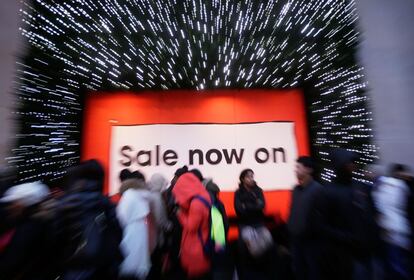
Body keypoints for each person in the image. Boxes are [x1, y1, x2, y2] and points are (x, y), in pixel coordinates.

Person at [59, 160, 123, 280]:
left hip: (73, 270)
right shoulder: (105, 203)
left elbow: (55, 240)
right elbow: (117, 234)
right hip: (103, 268)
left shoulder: (63, 203)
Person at [372, 164, 412, 280]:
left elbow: (383, 207)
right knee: (398, 261)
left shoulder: (385, 187)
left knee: (394, 263)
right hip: (400, 228)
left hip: (390, 229)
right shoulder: (401, 186)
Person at [234, 169, 274, 280]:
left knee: (262, 252)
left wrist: (246, 206)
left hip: (258, 224)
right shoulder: (238, 192)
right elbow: (239, 210)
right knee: (244, 252)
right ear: (242, 179)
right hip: (244, 225)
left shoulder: (258, 190)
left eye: (252, 176)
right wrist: (254, 205)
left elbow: (262, 206)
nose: (251, 178)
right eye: (248, 177)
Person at [287, 156, 323, 280]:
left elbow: (320, 219)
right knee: (298, 271)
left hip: (311, 243)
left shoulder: (318, 190)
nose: (295, 170)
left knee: (312, 272)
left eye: (298, 167)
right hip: (295, 241)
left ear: (308, 169)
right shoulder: (295, 190)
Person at [172, 172, 212, 279]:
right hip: (203, 242)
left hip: (196, 247)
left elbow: (191, 227)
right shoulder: (204, 196)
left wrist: (180, 213)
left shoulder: (196, 203)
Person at [117, 169, 152, 280]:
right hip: (141, 236)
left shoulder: (129, 196)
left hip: (129, 237)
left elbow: (120, 220)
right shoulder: (142, 196)